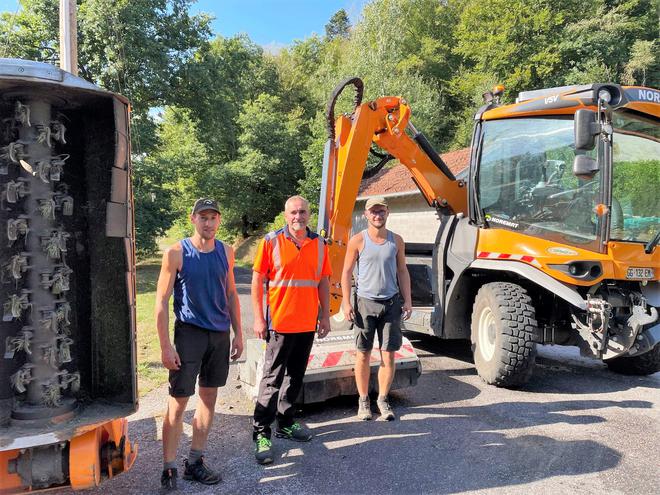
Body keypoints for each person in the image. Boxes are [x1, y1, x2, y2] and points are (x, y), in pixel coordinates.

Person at [155, 198, 243, 490]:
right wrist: (166, 346)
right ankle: (169, 467)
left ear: (219, 220)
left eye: (213, 217)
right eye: (203, 217)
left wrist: (238, 333)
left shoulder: (227, 252)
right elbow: (161, 302)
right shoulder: (177, 253)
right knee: (178, 403)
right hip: (189, 335)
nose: (208, 223)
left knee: (208, 399)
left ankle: (195, 462)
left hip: (218, 336)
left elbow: (231, 294)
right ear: (192, 218)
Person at [251, 195, 331, 465]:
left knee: (295, 377)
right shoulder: (271, 241)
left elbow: (323, 281)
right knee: (272, 379)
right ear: (285, 215)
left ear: (309, 214)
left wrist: (326, 316)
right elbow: (258, 280)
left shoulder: (319, 244)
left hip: (307, 324)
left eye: (303, 212)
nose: (298, 217)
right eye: (293, 213)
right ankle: (262, 433)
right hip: (279, 325)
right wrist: (259, 319)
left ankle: (285, 423)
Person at [340, 196, 412, 421]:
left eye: (381, 211)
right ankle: (363, 401)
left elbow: (402, 271)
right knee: (363, 354)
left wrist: (407, 300)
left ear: (388, 212)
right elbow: (346, 272)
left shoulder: (397, 241)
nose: (377, 215)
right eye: (373, 212)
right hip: (364, 304)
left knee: (388, 355)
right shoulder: (358, 241)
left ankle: (382, 398)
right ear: (366, 215)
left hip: (391, 304)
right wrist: (346, 302)